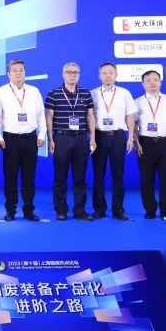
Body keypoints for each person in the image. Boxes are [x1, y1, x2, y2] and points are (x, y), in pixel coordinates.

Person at [0, 59, 46, 222]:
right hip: (10, 140)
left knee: (29, 177)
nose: (18, 73)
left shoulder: (34, 91)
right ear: (8, 73)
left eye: (21, 70)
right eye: (14, 70)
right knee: (10, 177)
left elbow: (41, 114)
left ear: (25, 72)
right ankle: (10, 210)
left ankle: (29, 210)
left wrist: (42, 134)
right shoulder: (0, 92)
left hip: (30, 138)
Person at [45, 62, 97, 221]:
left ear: (79, 75)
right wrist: (50, 139)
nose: (72, 75)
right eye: (69, 72)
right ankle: (61, 210)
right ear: (63, 74)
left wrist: (92, 138)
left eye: (75, 72)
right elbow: (49, 117)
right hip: (61, 138)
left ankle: (80, 210)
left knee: (80, 177)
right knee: (60, 176)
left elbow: (90, 116)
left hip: (81, 138)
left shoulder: (86, 94)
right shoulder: (53, 93)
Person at [90, 62, 138, 221]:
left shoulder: (124, 93)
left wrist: (130, 137)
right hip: (99, 137)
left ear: (116, 75)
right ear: (99, 76)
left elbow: (130, 116)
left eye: (111, 73)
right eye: (104, 73)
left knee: (118, 175)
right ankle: (99, 209)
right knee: (98, 175)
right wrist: (92, 138)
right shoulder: (93, 94)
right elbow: (90, 117)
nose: (107, 76)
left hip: (118, 137)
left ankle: (118, 209)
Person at [134, 70, 166, 221]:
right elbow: (133, 124)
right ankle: (150, 210)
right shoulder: (137, 102)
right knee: (146, 179)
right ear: (143, 84)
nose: (152, 83)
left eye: (155, 80)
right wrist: (136, 142)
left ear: (160, 82)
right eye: (148, 81)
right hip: (145, 143)